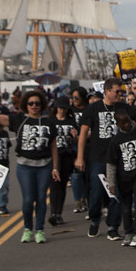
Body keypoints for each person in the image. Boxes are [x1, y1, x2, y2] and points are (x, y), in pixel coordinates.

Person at [0, 88, 59, 243]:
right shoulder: (18, 120)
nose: (34, 106)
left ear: (42, 105)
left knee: (41, 199)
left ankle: (39, 230)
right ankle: (27, 229)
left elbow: (53, 146)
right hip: (25, 166)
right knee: (28, 199)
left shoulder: (48, 122)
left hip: (44, 166)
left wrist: (55, 167)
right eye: (31, 103)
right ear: (26, 105)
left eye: (37, 103)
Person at [76, 79, 136, 241]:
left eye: (121, 92)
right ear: (106, 91)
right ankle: (94, 220)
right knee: (96, 194)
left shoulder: (123, 107)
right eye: (116, 91)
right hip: (98, 158)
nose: (119, 94)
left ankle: (112, 226)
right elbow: (83, 134)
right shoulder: (93, 109)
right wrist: (80, 157)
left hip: (120, 160)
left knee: (116, 195)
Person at [106, 103, 136, 248]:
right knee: (126, 206)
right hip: (124, 177)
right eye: (123, 123)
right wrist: (111, 183)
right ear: (118, 124)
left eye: (128, 121)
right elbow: (111, 164)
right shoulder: (115, 140)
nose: (127, 124)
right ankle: (128, 232)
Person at [47, 97, 79, 226]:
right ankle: (53, 213)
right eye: (60, 108)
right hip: (53, 156)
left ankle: (59, 213)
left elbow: (76, 140)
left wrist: (75, 136)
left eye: (65, 108)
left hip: (67, 155)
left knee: (62, 184)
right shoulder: (50, 121)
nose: (62, 110)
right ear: (56, 108)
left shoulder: (71, 121)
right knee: (54, 184)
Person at [69, 87, 90, 215]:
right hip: (74, 146)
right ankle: (78, 200)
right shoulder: (70, 111)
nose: (74, 100)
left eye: (76, 97)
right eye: (72, 97)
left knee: (86, 174)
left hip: (88, 145)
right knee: (76, 175)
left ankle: (86, 198)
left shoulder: (89, 109)